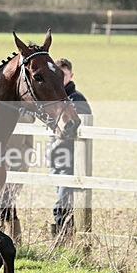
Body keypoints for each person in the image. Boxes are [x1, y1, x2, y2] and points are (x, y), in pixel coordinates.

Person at [47, 57, 92, 237]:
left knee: (63, 202)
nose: (60, 79)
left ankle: (62, 240)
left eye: (63, 75)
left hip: (71, 159)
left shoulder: (76, 99)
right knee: (63, 198)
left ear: (71, 75)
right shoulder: (52, 100)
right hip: (56, 158)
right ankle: (65, 237)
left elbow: (78, 128)